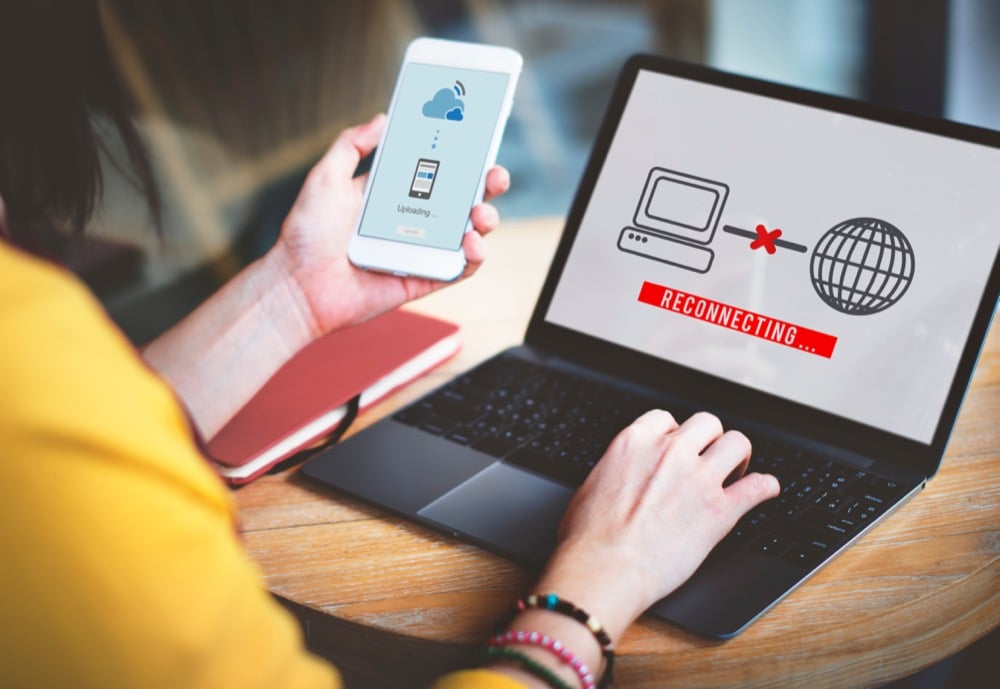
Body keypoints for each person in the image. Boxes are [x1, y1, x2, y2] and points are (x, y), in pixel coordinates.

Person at [0, 4, 779, 689]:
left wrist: (292, 294)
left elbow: (89, 417)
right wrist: (606, 572)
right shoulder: (27, 363)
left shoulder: (33, 341)